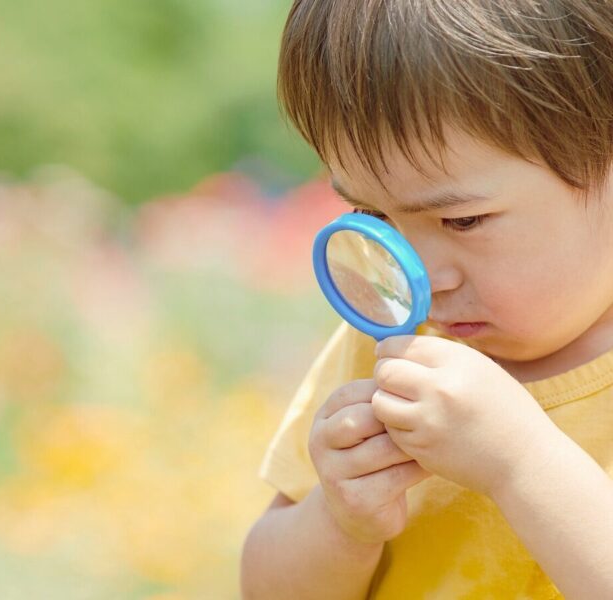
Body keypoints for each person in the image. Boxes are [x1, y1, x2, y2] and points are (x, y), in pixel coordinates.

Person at [240, 1, 613, 598]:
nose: (417, 277)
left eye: (462, 220)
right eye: (371, 215)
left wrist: (519, 464)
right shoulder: (387, 344)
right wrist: (340, 523)